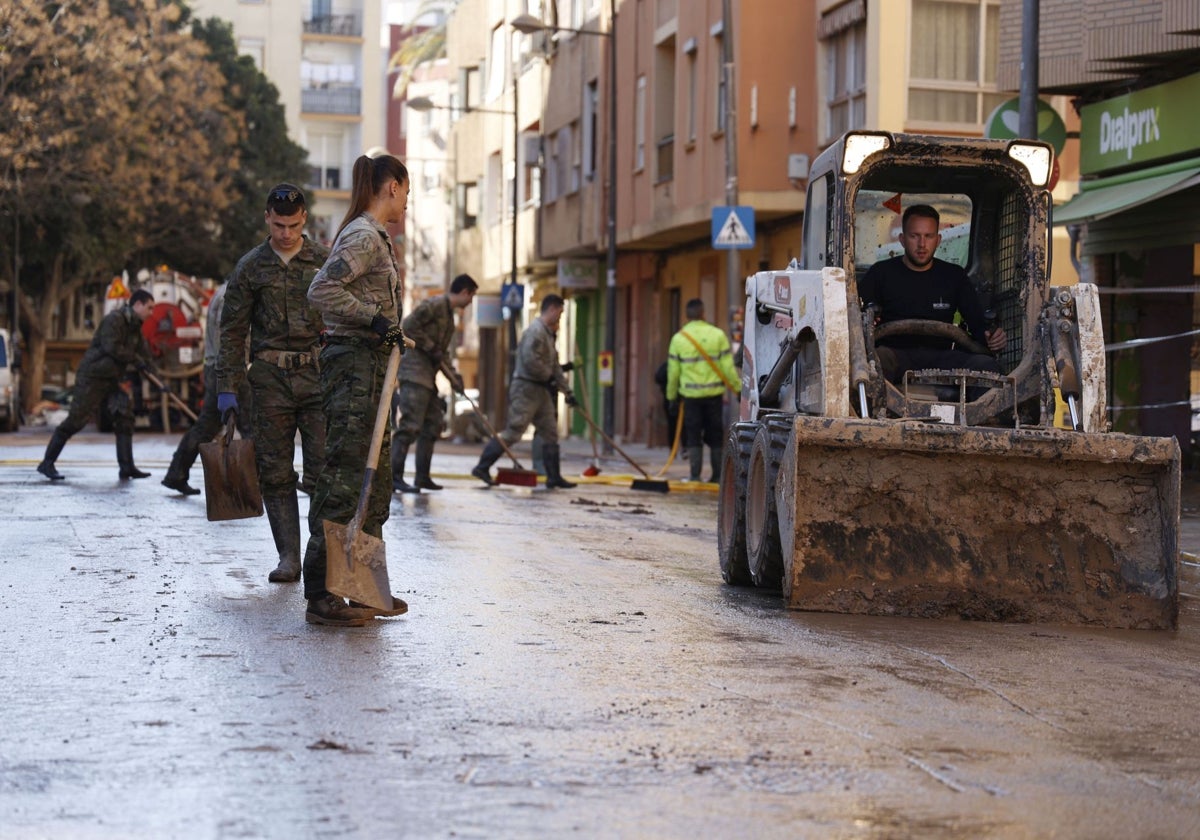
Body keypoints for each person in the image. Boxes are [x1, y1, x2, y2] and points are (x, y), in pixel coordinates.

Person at [302, 154, 411, 627]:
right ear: (392, 186)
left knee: (377, 480)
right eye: (406, 191)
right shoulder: (364, 236)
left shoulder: (377, 238)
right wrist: (374, 319)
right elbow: (321, 292)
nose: (407, 201)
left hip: (373, 370)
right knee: (346, 477)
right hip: (352, 367)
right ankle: (322, 593)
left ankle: (363, 588)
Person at [214, 184, 330, 584]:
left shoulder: (324, 261)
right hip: (268, 383)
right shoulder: (250, 267)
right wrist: (226, 388)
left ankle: (323, 556)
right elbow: (231, 332)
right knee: (275, 472)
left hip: (317, 379)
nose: (286, 233)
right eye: (279, 225)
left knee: (322, 473)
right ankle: (289, 558)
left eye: (294, 225)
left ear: (305, 221)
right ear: (267, 218)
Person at [857, 203, 1006, 386]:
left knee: (987, 367)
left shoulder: (954, 276)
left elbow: (978, 324)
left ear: (938, 239)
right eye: (915, 236)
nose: (922, 244)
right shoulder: (880, 274)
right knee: (875, 363)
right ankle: (873, 413)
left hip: (943, 359)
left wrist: (993, 338)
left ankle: (984, 415)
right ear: (902, 239)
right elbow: (860, 317)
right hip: (895, 355)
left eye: (928, 236)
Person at [37, 289, 159, 482]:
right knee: (76, 420)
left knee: (124, 417)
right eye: (149, 307)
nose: (151, 312)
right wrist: (136, 360)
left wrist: (154, 373)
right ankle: (47, 463)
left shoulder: (135, 327)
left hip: (111, 379)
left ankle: (127, 467)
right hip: (92, 377)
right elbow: (112, 347)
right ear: (137, 305)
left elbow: (143, 352)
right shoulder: (115, 320)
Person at [472, 294, 577, 490]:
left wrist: (567, 392)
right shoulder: (534, 332)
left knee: (550, 432)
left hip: (541, 390)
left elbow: (554, 366)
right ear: (552, 309)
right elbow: (531, 361)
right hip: (526, 388)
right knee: (514, 431)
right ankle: (482, 467)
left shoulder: (547, 334)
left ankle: (554, 476)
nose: (560, 318)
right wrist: (550, 376)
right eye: (560, 313)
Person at [161, 278, 252, 496]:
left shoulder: (222, 292)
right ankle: (253, 483)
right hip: (228, 368)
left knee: (207, 426)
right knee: (250, 426)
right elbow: (228, 339)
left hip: (218, 367)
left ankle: (177, 473)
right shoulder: (231, 296)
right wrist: (231, 374)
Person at [391, 272, 478, 493]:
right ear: (464, 292)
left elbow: (443, 354)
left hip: (428, 377)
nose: (470, 302)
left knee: (433, 424)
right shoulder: (435, 305)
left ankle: (422, 477)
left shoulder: (449, 317)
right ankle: (393, 477)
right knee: (410, 426)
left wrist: (455, 379)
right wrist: (430, 347)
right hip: (414, 373)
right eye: (471, 297)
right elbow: (408, 326)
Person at [666, 299, 741, 483]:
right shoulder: (718, 335)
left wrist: (671, 398)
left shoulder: (678, 339)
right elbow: (727, 368)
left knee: (693, 436)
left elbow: (673, 373)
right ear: (703, 314)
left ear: (686, 316)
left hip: (690, 398)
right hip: (714, 396)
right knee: (716, 435)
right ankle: (716, 477)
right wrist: (738, 389)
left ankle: (694, 476)